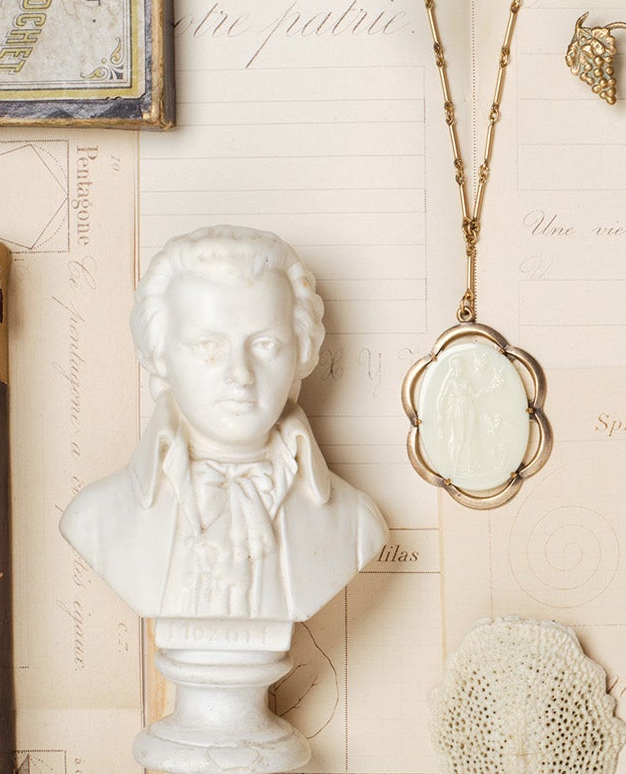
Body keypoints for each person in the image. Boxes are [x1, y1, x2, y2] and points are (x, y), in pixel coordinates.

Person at [62, 226, 388, 624]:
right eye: (209, 346)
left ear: (301, 352)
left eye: (265, 344)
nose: (240, 374)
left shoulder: (356, 526)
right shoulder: (96, 519)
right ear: (159, 354)